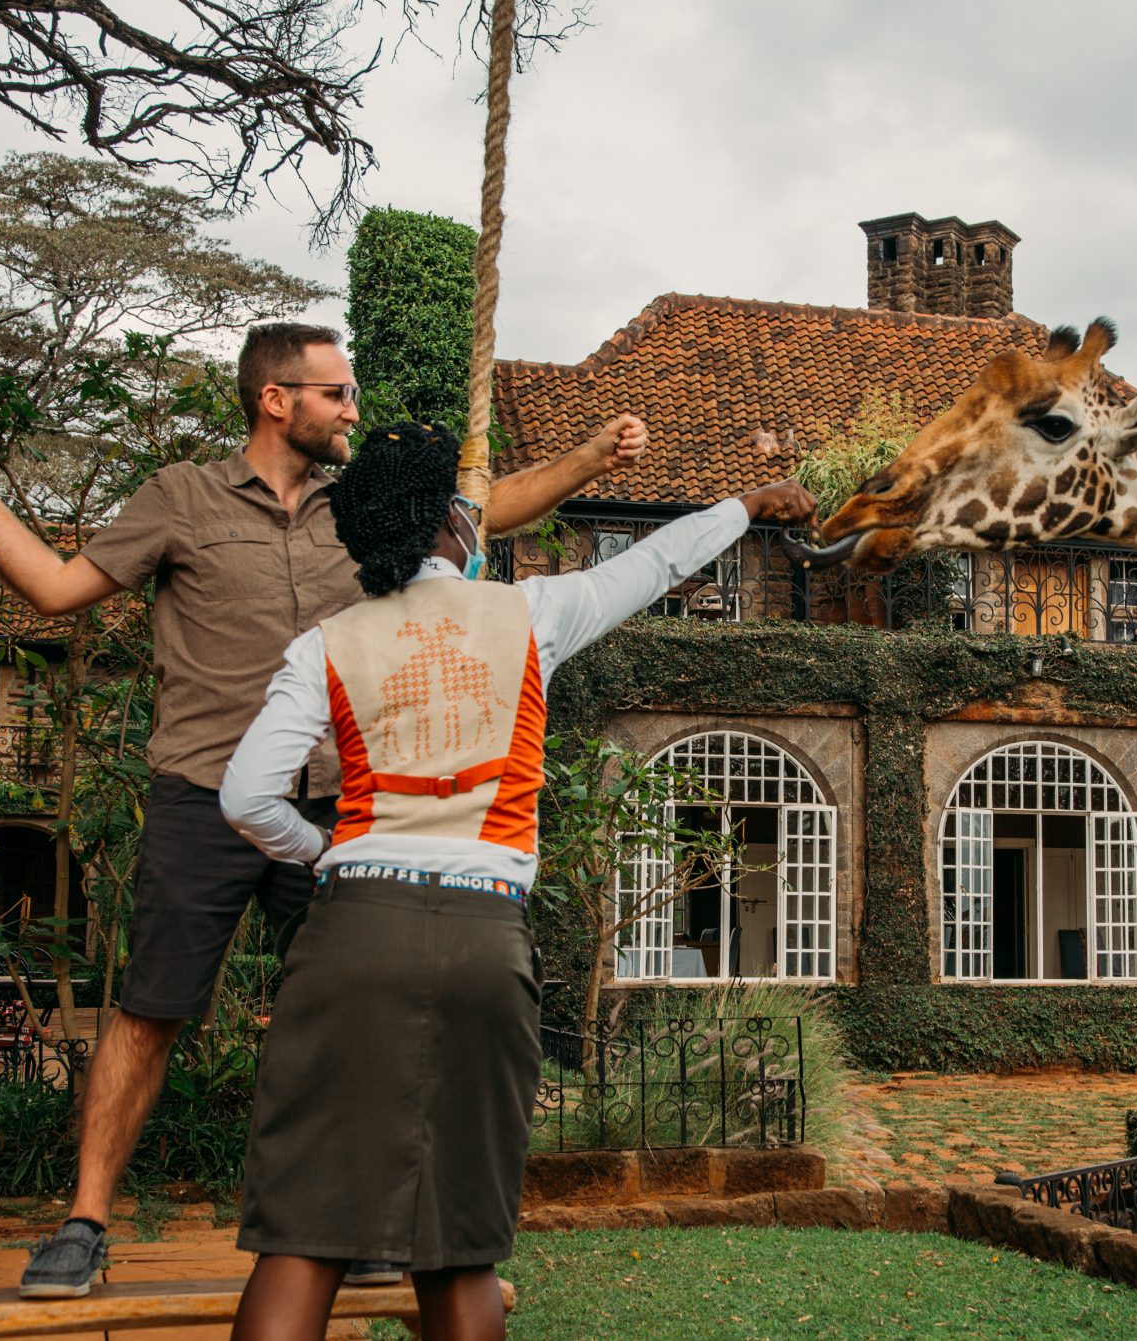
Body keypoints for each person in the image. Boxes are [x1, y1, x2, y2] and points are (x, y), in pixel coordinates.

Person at [0, 323, 651, 1298]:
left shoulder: (369, 512)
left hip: (346, 813)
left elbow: (489, 509)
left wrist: (588, 459)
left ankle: (376, 1229)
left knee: (366, 1016)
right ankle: (84, 1225)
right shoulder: (183, 499)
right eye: (336, 394)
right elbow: (52, 588)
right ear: (275, 399)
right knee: (150, 1011)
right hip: (205, 793)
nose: (352, 410)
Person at [216, 422, 814, 1339]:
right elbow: (651, 566)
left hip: (352, 932)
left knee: (301, 1233)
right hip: (483, 935)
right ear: (454, 519)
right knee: (460, 1243)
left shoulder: (324, 644)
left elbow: (248, 796)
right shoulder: (528, 612)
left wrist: (323, 849)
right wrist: (748, 505)